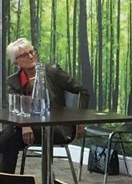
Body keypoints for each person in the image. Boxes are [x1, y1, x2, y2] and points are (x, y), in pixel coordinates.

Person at [0, 38, 90, 173]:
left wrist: (79, 121)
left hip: (57, 127)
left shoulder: (52, 72)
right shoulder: (14, 81)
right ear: (16, 62)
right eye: (24, 55)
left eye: (32, 52)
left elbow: (83, 91)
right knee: (9, 140)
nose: (30, 56)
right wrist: (25, 125)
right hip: (26, 130)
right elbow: (15, 109)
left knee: (9, 137)